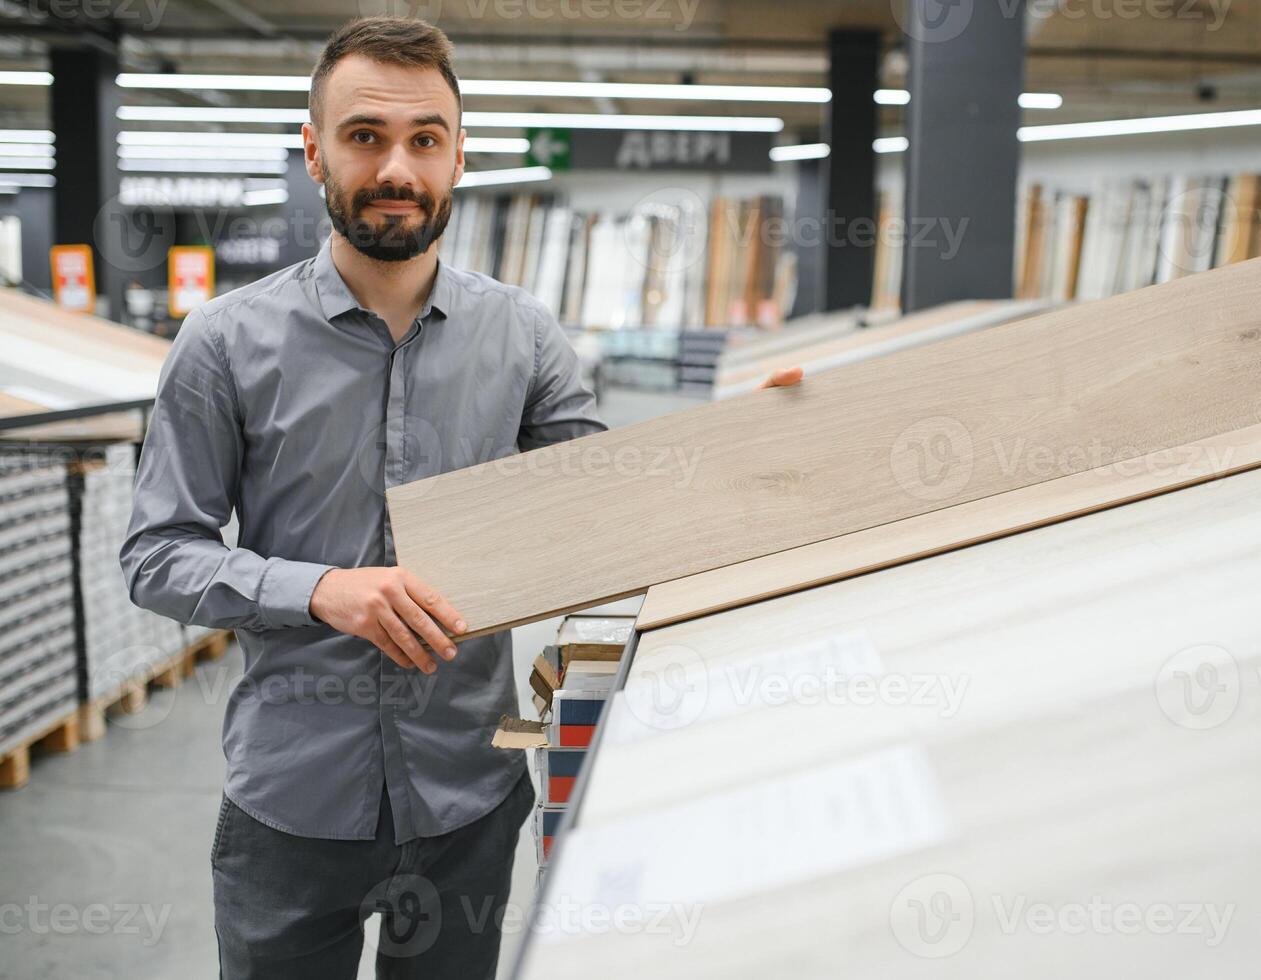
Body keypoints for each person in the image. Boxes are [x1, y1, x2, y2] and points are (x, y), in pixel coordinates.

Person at [119, 16, 801, 979]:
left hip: (467, 800)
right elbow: (157, 553)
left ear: (457, 156)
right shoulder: (224, 343)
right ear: (315, 151)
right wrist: (320, 591)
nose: (396, 166)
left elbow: (603, 506)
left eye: (424, 139)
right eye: (365, 136)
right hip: (293, 803)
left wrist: (749, 442)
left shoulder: (521, 336)